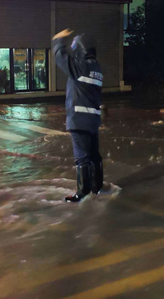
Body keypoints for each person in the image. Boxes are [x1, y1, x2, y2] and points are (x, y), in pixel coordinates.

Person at [53, 29, 104, 203]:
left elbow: (61, 57)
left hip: (79, 120)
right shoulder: (96, 68)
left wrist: (59, 40)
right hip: (93, 120)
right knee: (94, 155)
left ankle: (82, 193)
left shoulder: (80, 67)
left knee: (82, 157)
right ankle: (97, 188)